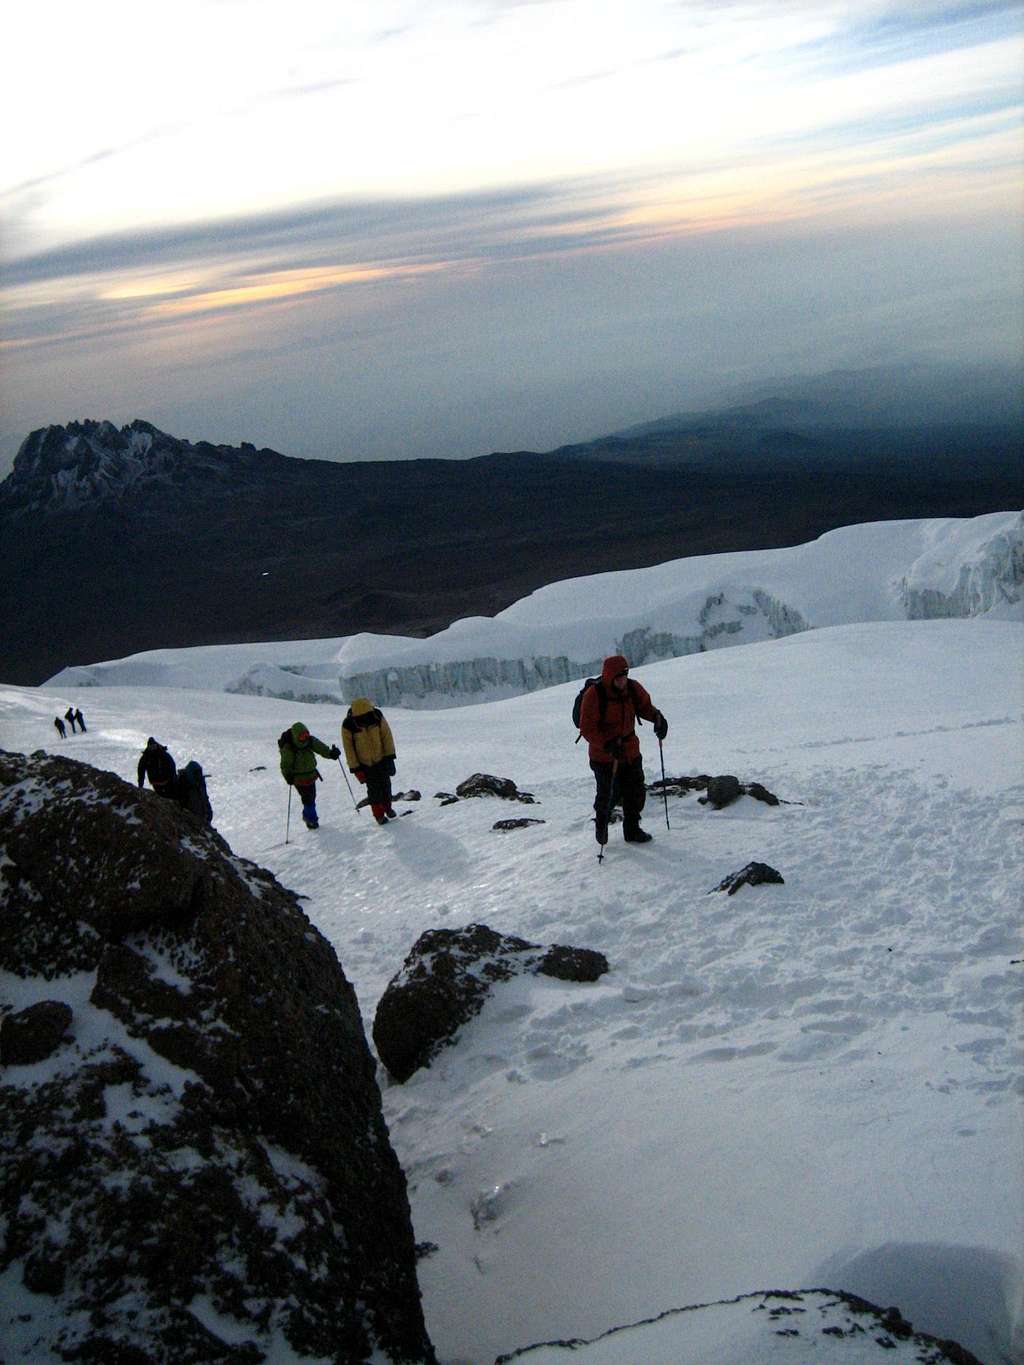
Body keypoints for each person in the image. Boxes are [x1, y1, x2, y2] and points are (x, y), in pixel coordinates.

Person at [577, 654, 668, 847]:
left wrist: (658, 718)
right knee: (608, 793)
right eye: (618, 677)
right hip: (603, 757)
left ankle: (632, 830)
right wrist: (607, 745)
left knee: (635, 791)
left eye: (624, 676)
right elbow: (587, 728)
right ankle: (601, 824)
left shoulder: (632, 689)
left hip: (630, 751)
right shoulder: (594, 695)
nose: (622, 681)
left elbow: (644, 707)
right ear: (610, 676)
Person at [341, 698, 397, 825]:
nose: (365, 718)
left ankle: (388, 808)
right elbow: (348, 748)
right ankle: (379, 815)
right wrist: (355, 768)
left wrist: (390, 757)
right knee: (374, 790)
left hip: (381, 759)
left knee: (386, 786)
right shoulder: (348, 725)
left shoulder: (377, 717)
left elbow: (386, 737)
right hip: (364, 764)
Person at [278, 722, 340, 830]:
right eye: (302, 735)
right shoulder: (289, 748)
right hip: (298, 778)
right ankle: (312, 820)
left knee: (311, 797)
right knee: (308, 799)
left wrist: (331, 753)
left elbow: (321, 749)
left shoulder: (310, 741)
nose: (305, 737)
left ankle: (308, 816)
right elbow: (285, 765)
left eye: (306, 734)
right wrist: (288, 776)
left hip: (311, 775)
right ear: (296, 736)